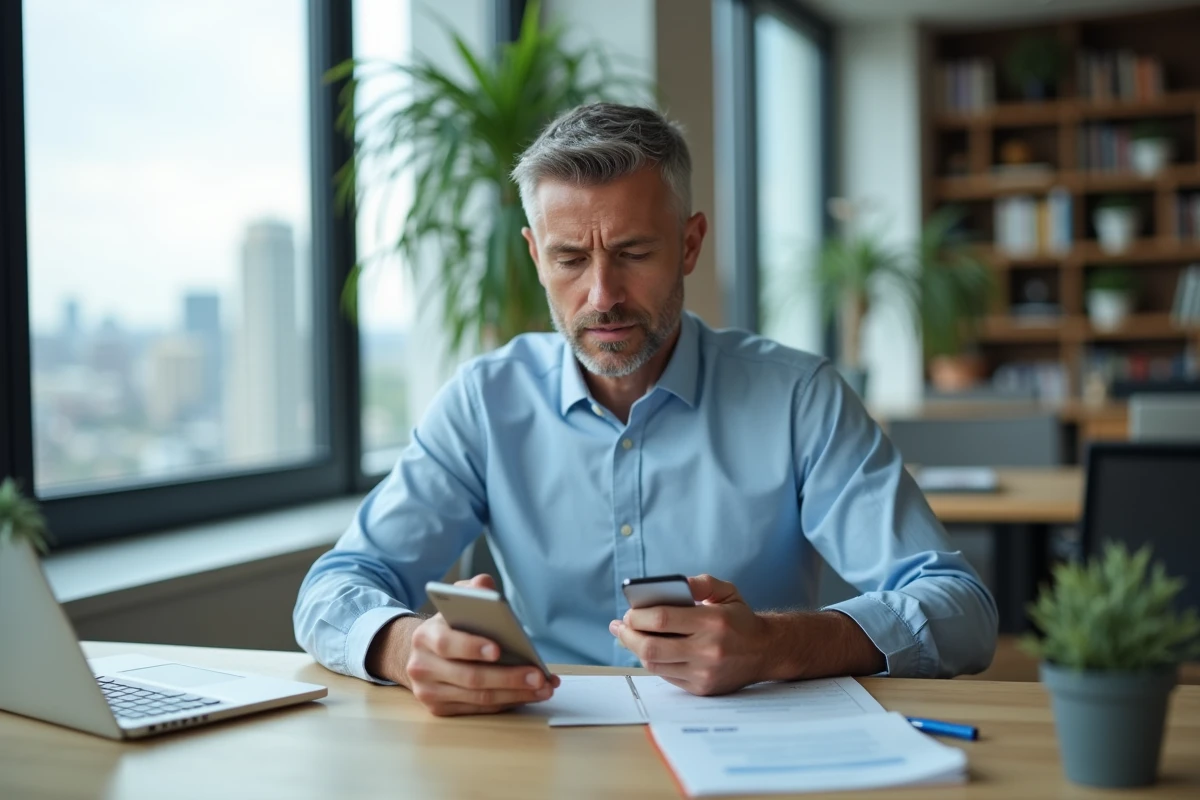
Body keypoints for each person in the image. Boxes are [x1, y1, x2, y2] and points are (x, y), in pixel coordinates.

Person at [294, 103, 997, 717]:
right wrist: (405, 646)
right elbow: (334, 587)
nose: (602, 295)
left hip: (753, 745)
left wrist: (777, 645)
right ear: (536, 256)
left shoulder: (797, 397)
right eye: (570, 259)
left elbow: (961, 609)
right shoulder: (485, 401)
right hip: (545, 747)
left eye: (632, 252)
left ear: (689, 244)